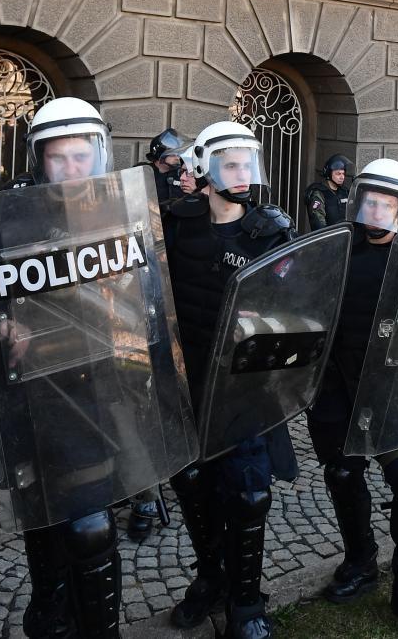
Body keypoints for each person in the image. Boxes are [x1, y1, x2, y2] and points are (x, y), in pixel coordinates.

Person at [0, 96, 131, 638]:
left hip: (96, 386)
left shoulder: (121, 210)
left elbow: (145, 294)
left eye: (81, 156)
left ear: (98, 155)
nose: (71, 169)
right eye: (59, 158)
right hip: (27, 389)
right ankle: (49, 614)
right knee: (38, 508)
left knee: (90, 521)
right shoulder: (6, 218)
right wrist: (1, 321)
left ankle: (99, 626)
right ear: (39, 160)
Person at [164, 121, 296, 639]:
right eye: (230, 164)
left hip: (245, 388)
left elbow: (295, 306)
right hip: (186, 383)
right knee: (194, 486)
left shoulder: (270, 231)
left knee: (246, 492)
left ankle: (246, 601)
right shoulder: (173, 224)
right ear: (203, 167)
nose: (242, 174)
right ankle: (212, 576)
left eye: (247, 163)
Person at [306, 160, 398, 638]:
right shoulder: (339, 250)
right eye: (372, 201)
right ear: (358, 201)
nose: (378, 210)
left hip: (392, 389)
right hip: (339, 386)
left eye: (389, 203)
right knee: (343, 473)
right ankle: (361, 560)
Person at [305, 154, 352, 231]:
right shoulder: (319, 193)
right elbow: (318, 224)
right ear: (329, 174)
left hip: (346, 237)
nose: (342, 177)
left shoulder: (345, 192)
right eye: (338, 174)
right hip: (328, 238)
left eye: (343, 173)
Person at [145, 127, 189, 206]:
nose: (177, 157)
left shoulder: (183, 174)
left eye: (178, 153)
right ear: (159, 155)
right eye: (172, 154)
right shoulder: (144, 174)